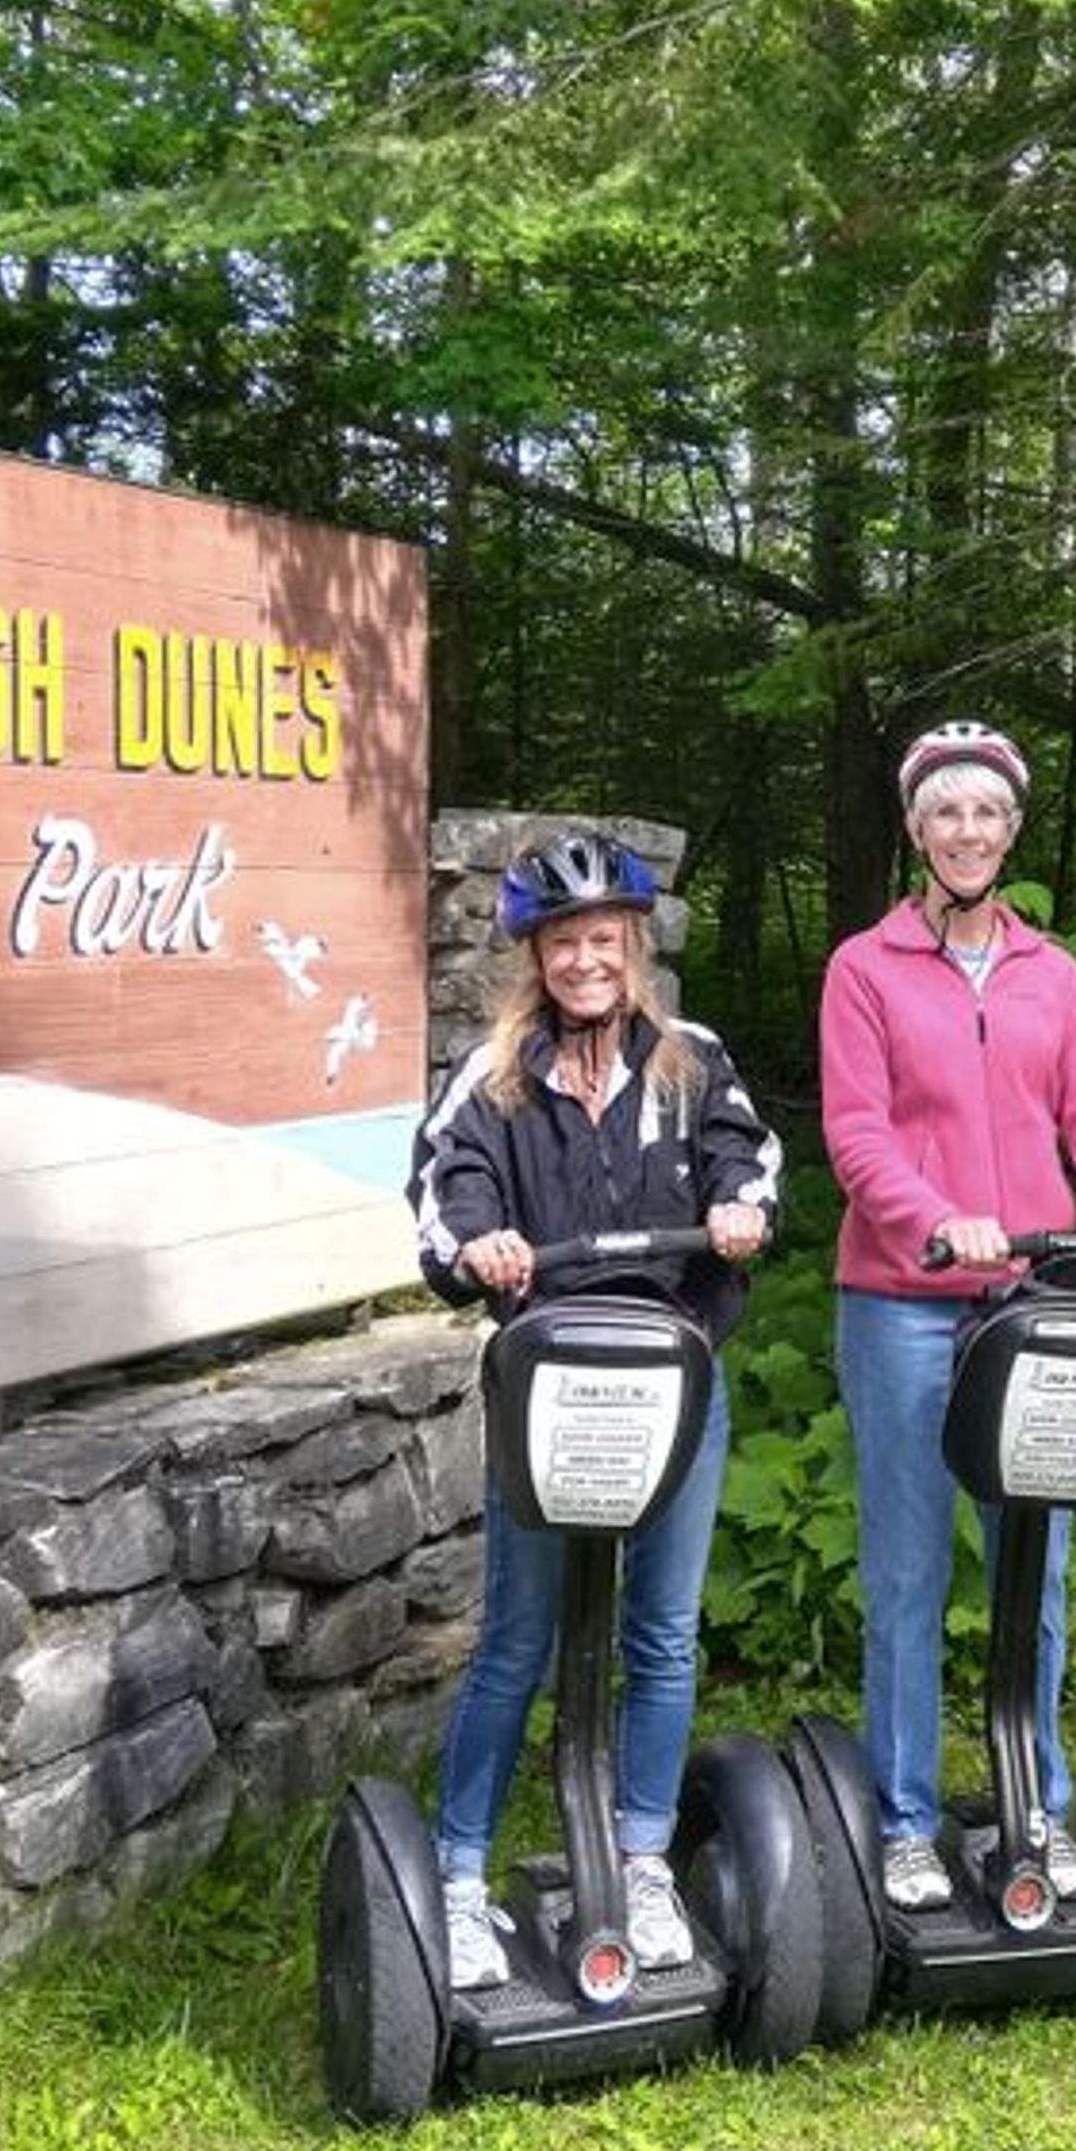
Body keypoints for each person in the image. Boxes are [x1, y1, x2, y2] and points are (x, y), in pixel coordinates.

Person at [822, 719, 1076, 1912]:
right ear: (916, 829)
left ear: (1012, 830)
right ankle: (906, 1818)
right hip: (904, 1305)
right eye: (945, 812)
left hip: (1033, 1303)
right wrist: (935, 1216)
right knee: (910, 1571)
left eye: (987, 813)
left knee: (1033, 1562)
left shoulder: (1053, 974)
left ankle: (1033, 1802)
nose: (967, 831)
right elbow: (856, 1133)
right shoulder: (865, 968)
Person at [409, 831, 781, 1992]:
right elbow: (441, 1185)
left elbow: (752, 1160)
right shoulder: (495, 1075)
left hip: (673, 1382)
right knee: (519, 1638)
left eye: (604, 939)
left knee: (662, 1634)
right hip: (548, 1390)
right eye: (564, 941)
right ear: (537, 954)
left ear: (635, 946)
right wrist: (481, 1242)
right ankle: (460, 1877)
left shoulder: (691, 1060)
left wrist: (738, 1212)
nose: (586, 959)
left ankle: (644, 1858)